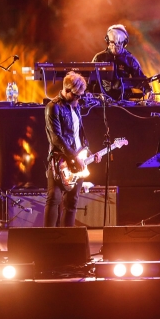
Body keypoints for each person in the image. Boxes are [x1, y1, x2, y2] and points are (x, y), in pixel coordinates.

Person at [44, 72, 99, 227]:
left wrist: (89, 153)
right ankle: (47, 237)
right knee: (54, 198)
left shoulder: (76, 107)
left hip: (78, 159)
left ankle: (67, 236)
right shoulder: (53, 107)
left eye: (81, 96)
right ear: (67, 90)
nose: (79, 99)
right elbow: (56, 138)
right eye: (76, 95)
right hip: (60, 160)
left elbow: (79, 135)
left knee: (72, 201)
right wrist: (74, 157)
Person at [91, 24, 146, 100]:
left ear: (124, 43)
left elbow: (140, 80)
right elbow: (90, 80)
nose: (115, 46)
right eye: (112, 43)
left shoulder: (130, 59)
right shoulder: (99, 58)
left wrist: (148, 90)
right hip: (101, 101)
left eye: (119, 43)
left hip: (123, 100)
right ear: (107, 41)